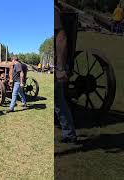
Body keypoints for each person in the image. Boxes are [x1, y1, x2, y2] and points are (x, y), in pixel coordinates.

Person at [55, 5, 77, 143]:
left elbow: (61, 37)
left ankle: (69, 134)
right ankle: (69, 134)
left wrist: (60, 68)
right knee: (58, 100)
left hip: (56, 66)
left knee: (58, 101)